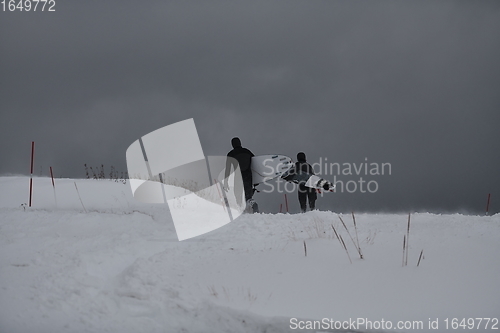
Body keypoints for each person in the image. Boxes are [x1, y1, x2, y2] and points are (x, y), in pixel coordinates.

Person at [225, 137, 257, 212]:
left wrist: (226, 181)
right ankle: (252, 204)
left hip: (238, 178)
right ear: (240, 143)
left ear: (232, 145)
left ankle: (241, 211)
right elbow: (256, 164)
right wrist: (256, 180)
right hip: (248, 176)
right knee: (248, 196)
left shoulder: (231, 154)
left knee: (238, 196)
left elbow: (228, 169)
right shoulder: (247, 151)